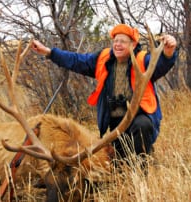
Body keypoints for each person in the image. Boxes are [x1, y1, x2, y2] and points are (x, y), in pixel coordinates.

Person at [31, 24, 178, 160]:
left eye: (123, 41)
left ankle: (141, 165)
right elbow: (77, 60)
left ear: (133, 45)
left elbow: (160, 64)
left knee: (142, 127)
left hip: (139, 119)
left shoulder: (143, 60)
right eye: (115, 41)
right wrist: (49, 52)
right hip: (115, 126)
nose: (117, 44)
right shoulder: (103, 59)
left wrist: (168, 52)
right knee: (115, 162)